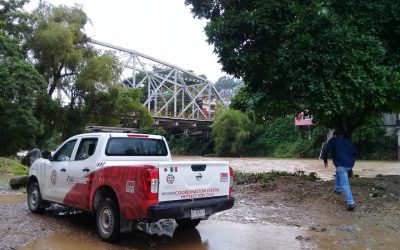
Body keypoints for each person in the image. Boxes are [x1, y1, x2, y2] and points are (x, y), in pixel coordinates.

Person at [322, 129, 357, 211]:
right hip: (350, 164)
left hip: (341, 165)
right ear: (341, 135)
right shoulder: (347, 141)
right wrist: (351, 160)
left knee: (345, 183)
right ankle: (337, 188)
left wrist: (325, 160)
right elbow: (355, 152)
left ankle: (350, 202)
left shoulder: (333, 140)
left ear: (334, 135)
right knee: (339, 171)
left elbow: (325, 151)